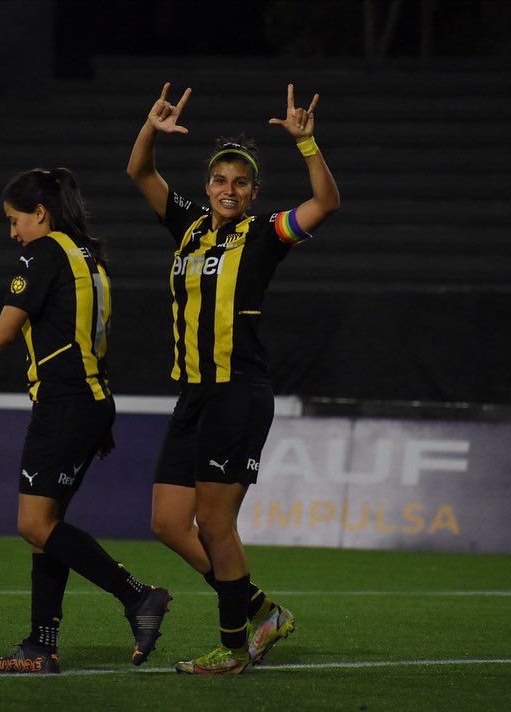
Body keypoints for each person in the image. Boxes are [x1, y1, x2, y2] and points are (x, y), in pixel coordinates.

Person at [126, 83, 340, 675]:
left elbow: (326, 202)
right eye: (221, 179)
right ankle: (259, 610)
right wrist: (151, 127)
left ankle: (233, 645)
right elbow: (138, 170)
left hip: (238, 391)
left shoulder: (265, 234)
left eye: (240, 183)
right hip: (195, 392)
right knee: (169, 524)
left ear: (252, 193)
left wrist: (307, 143)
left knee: (214, 523)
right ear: (208, 187)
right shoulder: (189, 226)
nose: (229, 189)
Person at [0, 167, 171, 674]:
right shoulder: (90, 257)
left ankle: (137, 596)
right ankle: (41, 644)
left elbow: (5, 330)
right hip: (91, 399)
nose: (12, 232)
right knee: (46, 528)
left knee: (32, 523)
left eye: (15, 220)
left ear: (40, 213)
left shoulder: (42, 254)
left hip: (65, 403)